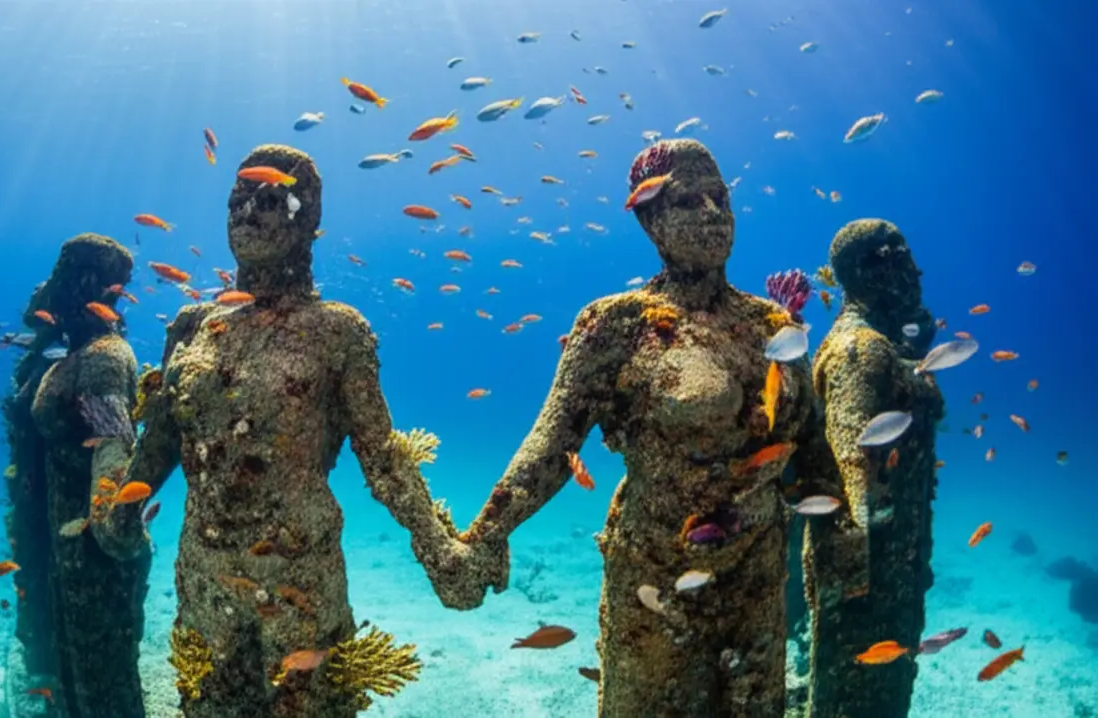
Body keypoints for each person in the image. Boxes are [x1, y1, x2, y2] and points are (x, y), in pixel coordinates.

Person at [91, 144, 506, 717]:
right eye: (238, 200)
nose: (248, 213)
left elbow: (382, 457)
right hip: (206, 583)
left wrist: (439, 549)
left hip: (301, 583)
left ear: (308, 219)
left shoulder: (336, 333)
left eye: (270, 199)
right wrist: (117, 507)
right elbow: (159, 444)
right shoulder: (192, 326)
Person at [458, 139, 832, 717]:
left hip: (757, 586)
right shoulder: (618, 325)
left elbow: (812, 452)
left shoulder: (776, 328)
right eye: (688, 202)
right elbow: (552, 444)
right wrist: (484, 537)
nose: (712, 214)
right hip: (656, 585)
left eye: (720, 198)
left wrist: (847, 543)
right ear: (650, 219)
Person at [803, 219, 944, 718]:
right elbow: (853, 464)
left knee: (884, 691)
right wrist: (861, 587)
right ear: (869, 269)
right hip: (869, 575)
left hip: (891, 563)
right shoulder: (860, 349)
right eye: (899, 257)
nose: (914, 270)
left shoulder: (884, 345)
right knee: (858, 700)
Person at [5, 233, 151, 718]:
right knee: (72, 686)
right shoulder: (70, 355)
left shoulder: (103, 361)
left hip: (90, 561)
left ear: (91, 286)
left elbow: (114, 449)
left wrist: (118, 536)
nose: (49, 290)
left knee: (102, 687)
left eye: (64, 277)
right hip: (62, 549)